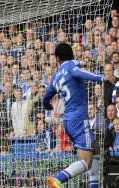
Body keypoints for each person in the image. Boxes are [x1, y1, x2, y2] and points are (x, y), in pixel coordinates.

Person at [43, 43, 105, 188]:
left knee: (95, 149)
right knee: (86, 162)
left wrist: (48, 105)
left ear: (57, 58)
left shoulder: (56, 76)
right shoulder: (72, 67)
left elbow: (46, 98)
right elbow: (79, 73)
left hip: (68, 121)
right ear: (72, 54)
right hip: (79, 120)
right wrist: (101, 79)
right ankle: (58, 179)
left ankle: (93, 186)